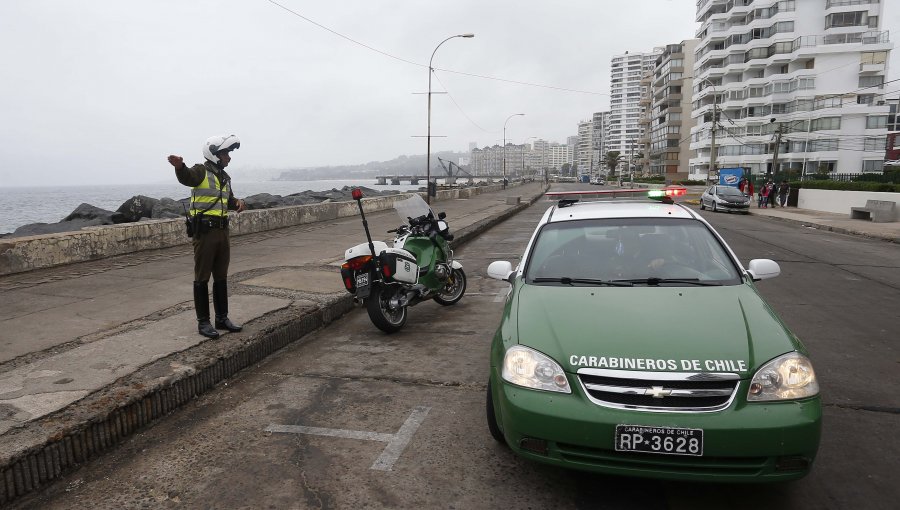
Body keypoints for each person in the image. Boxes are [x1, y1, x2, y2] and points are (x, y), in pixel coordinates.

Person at [168, 135, 246, 339]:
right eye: (225, 153)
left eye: (228, 153)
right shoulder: (201, 171)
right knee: (202, 277)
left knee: (221, 276)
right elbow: (187, 178)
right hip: (205, 233)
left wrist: (237, 202)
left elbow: (227, 200)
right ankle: (203, 322)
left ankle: (222, 318)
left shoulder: (224, 177)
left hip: (222, 231)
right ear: (214, 154)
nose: (228, 157)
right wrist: (180, 166)